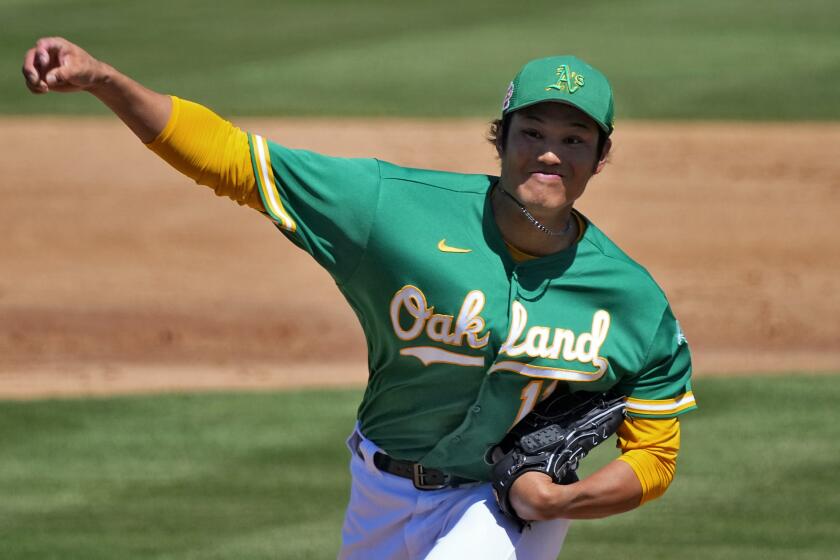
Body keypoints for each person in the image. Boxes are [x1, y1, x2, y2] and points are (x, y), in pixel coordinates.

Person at [22, 37, 697, 559]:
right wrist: (103, 79)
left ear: (601, 157)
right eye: (533, 133)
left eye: (575, 140)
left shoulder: (632, 302)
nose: (550, 155)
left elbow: (654, 456)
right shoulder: (391, 210)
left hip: (498, 507)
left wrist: (561, 500)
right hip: (378, 489)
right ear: (502, 138)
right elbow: (233, 159)